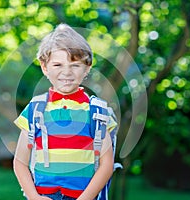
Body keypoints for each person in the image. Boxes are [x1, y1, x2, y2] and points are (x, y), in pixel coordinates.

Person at [13, 24, 117, 200]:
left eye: (75, 65)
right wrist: (34, 197)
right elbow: (20, 162)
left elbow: (106, 165)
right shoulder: (35, 109)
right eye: (57, 64)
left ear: (87, 67)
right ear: (45, 67)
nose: (66, 72)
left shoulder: (96, 112)